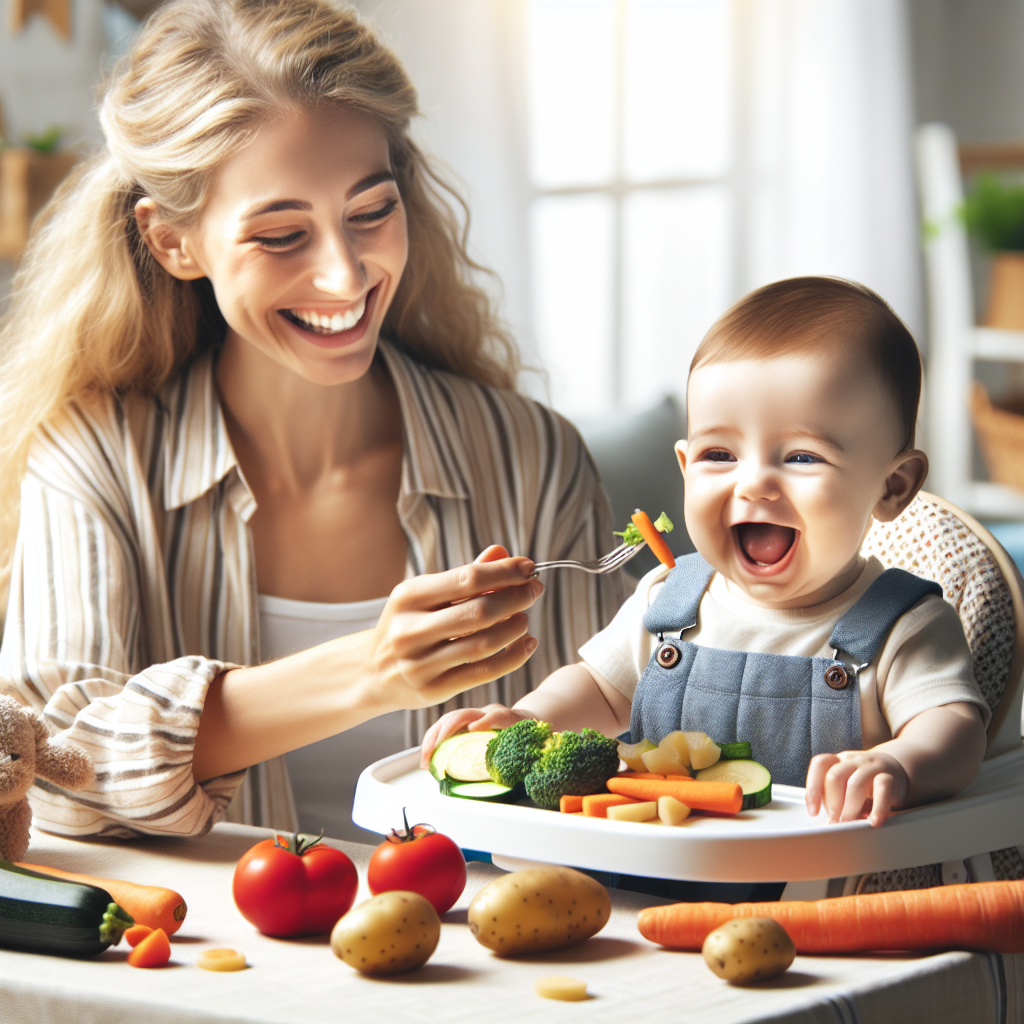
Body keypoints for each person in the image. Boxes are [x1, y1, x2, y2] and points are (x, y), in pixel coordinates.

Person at [0, 0, 627, 839]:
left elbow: (618, 761)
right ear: (172, 243)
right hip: (211, 965)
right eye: (281, 234)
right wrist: (370, 670)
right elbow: (44, 773)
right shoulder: (96, 457)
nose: (344, 275)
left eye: (370, 211)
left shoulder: (531, 457)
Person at [423, 277, 990, 828]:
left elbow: (955, 729)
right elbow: (598, 688)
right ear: (685, 467)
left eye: (800, 458)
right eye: (720, 454)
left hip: (814, 891)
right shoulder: (671, 600)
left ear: (892, 486)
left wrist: (900, 763)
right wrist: (527, 718)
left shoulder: (903, 625)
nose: (753, 485)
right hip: (653, 875)